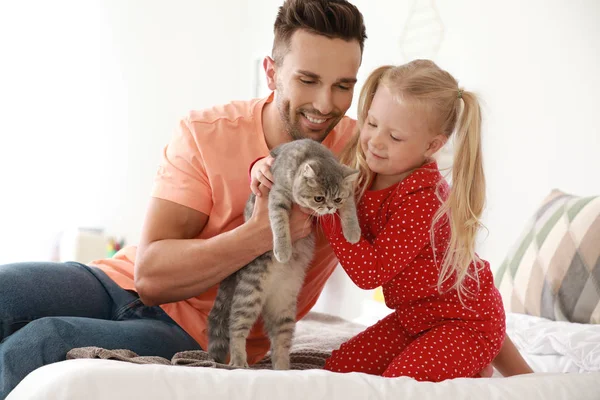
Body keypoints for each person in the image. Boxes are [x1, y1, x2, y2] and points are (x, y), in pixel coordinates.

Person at [0, 1, 366, 398]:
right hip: (116, 281)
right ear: (272, 73)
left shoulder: (361, 158)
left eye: (343, 85)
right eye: (308, 80)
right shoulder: (208, 132)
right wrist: (261, 234)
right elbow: (152, 277)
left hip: (203, 331)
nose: (326, 104)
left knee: (42, 340)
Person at [250, 61, 534, 380]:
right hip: (412, 319)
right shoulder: (367, 170)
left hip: (461, 325)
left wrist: (328, 208)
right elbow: (302, 158)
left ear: (432, 146)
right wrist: (264, 166)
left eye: (395, 137)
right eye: (371, 123)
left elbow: (370, 273)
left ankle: (473, 365)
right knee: (335, 374)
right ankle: (476, 369)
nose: (374, 141)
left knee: (397, 387)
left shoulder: (425, 197)